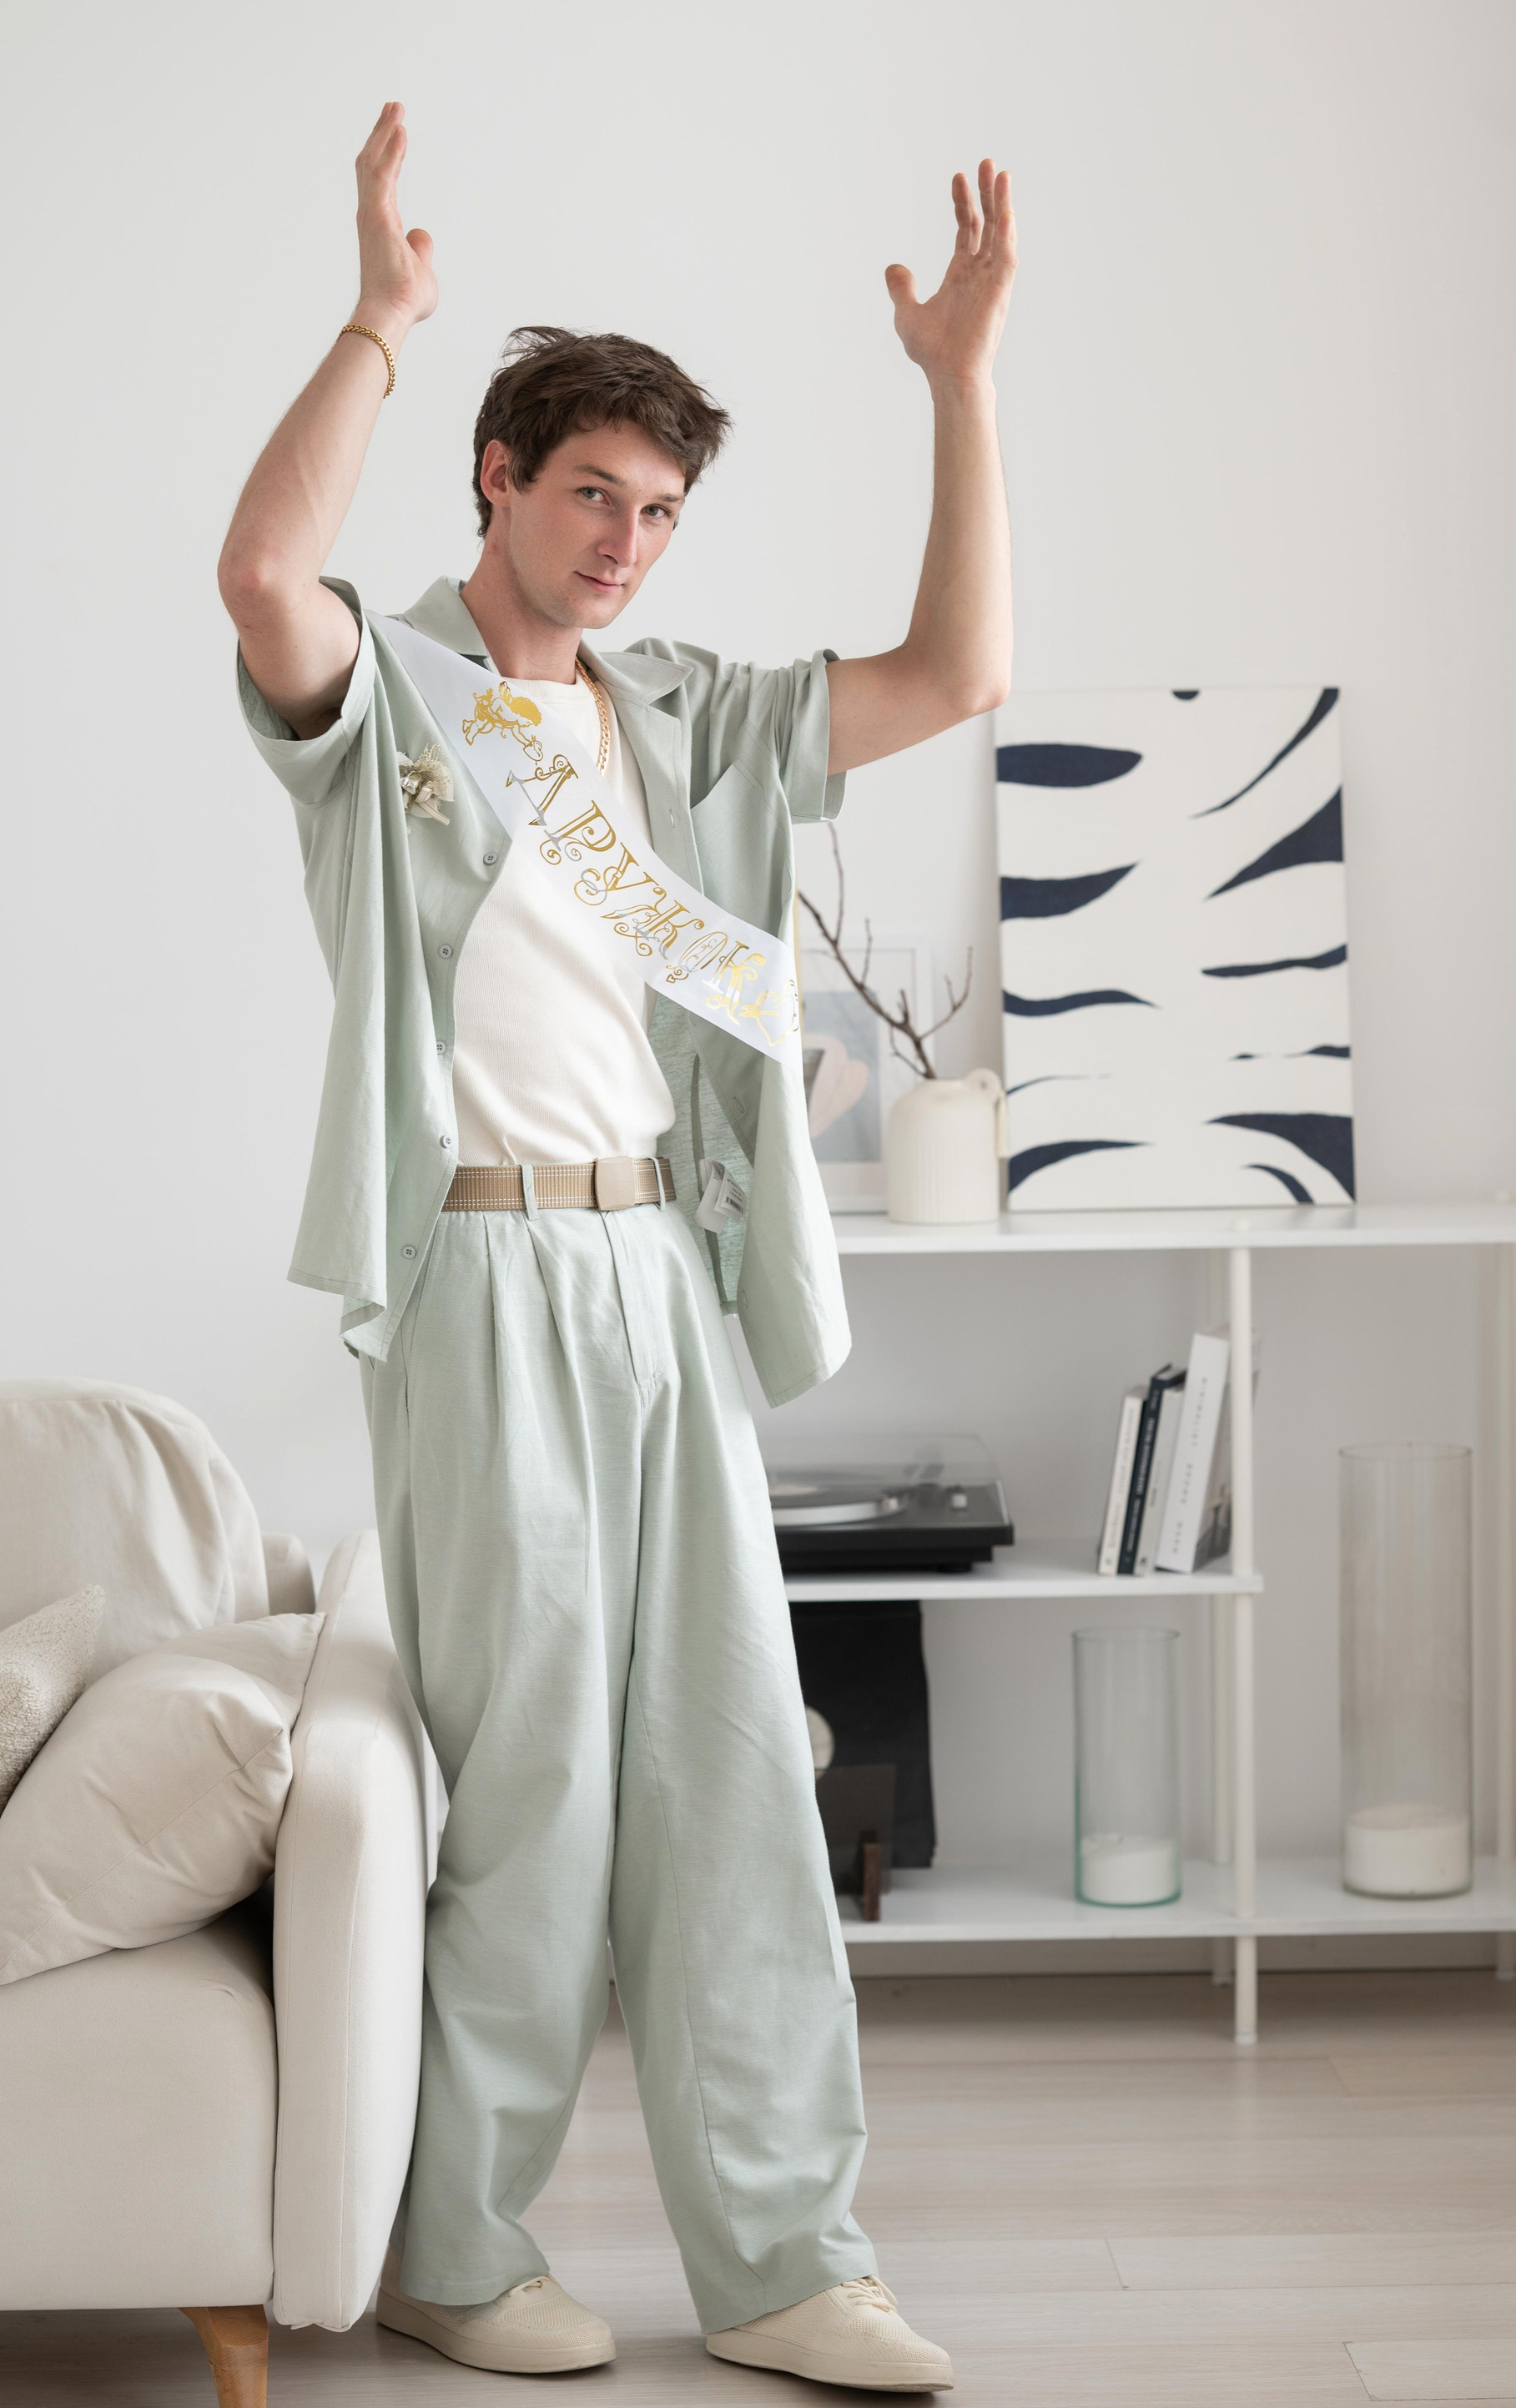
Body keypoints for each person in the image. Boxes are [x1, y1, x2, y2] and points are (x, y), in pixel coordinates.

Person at [219, 100, 1013, 2392]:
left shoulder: (694, 718)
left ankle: (786, 2259)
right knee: (540, 1779)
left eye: (660, 513)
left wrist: (960, 383)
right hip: (477, 1278)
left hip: (666, 1269)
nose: (624, 546)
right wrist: (377, 323)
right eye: (590, 495)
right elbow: (261, 578)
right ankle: (456, 2247)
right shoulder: (388, 700)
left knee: (741, 1766)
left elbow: (955, 672)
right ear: (496, 478)